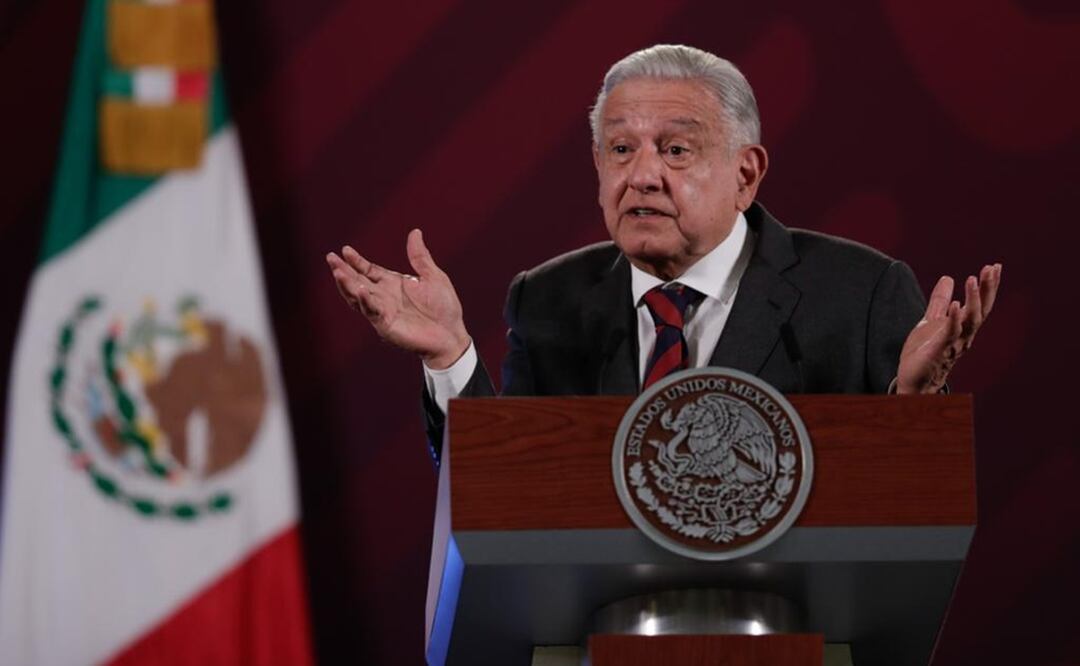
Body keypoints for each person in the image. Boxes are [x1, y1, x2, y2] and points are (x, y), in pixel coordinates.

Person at [325, 44, 1001, 460]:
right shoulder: (549, 299)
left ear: (745, 174)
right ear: (598, 166)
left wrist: (916, 404)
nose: (642, 175)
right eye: (621, 149)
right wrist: (450, 358)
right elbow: (504, 485)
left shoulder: (860, 293)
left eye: (676, 149)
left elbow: (910, 506)